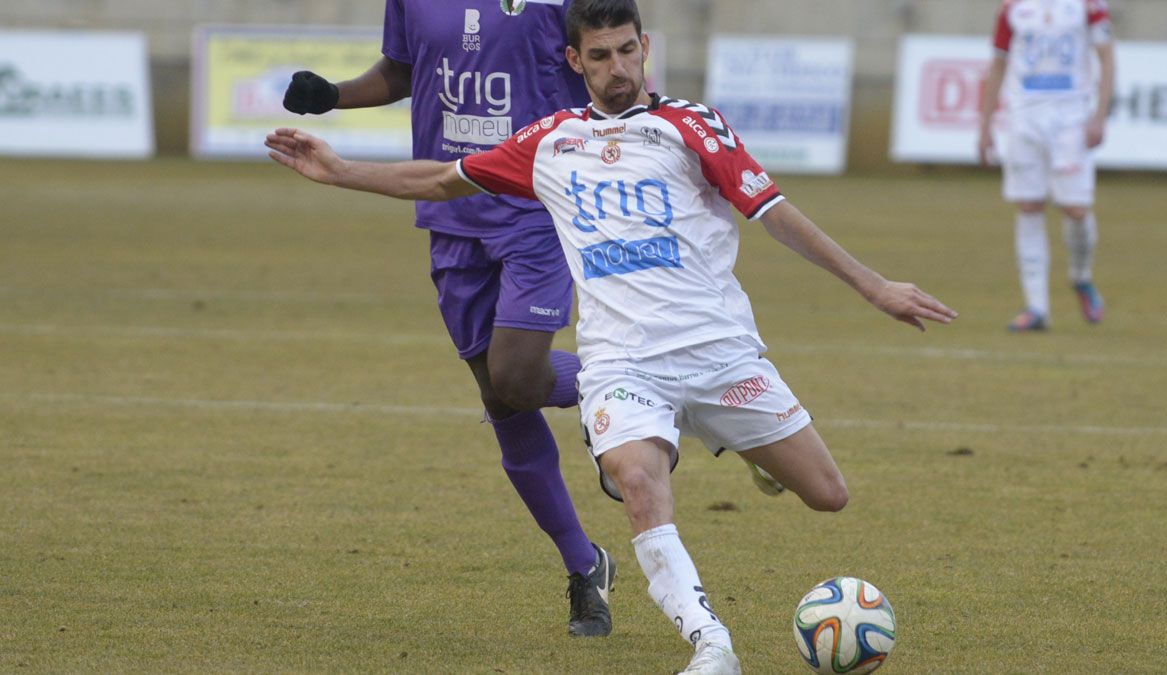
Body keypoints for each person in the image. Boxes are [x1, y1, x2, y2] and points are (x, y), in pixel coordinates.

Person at [265, 0, 957, 670]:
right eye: (599, 56)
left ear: (645, 47)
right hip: (622, 364)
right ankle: (709, 642)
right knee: (629, 474)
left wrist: (874, 284)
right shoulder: (550, 142)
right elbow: (444, 178)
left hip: (718, 354)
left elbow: (773, 211)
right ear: (576, 61)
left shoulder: (693, 125)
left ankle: (724, 437)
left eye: (627, 50)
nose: (617, 67)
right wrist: (339, 169)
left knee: (827, 493)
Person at [279, 0, 617, 637]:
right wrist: (333, 95)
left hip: (535, 208)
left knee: (516, 378)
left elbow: (608, 65)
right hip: (448, 209)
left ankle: (620, 387)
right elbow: (403, 70)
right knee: (502, 399)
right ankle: (585, 565)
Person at [977, 0, 1116, 332]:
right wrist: (984, 126)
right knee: (1029, 206)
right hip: (1024, 118)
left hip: (1071, 120)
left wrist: (1100, 115)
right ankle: (1036, 307)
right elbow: (998, 64)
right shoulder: (1011, 8)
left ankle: (1081, 277)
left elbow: (1106, 56)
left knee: (1076, 209)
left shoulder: (1088, 5)